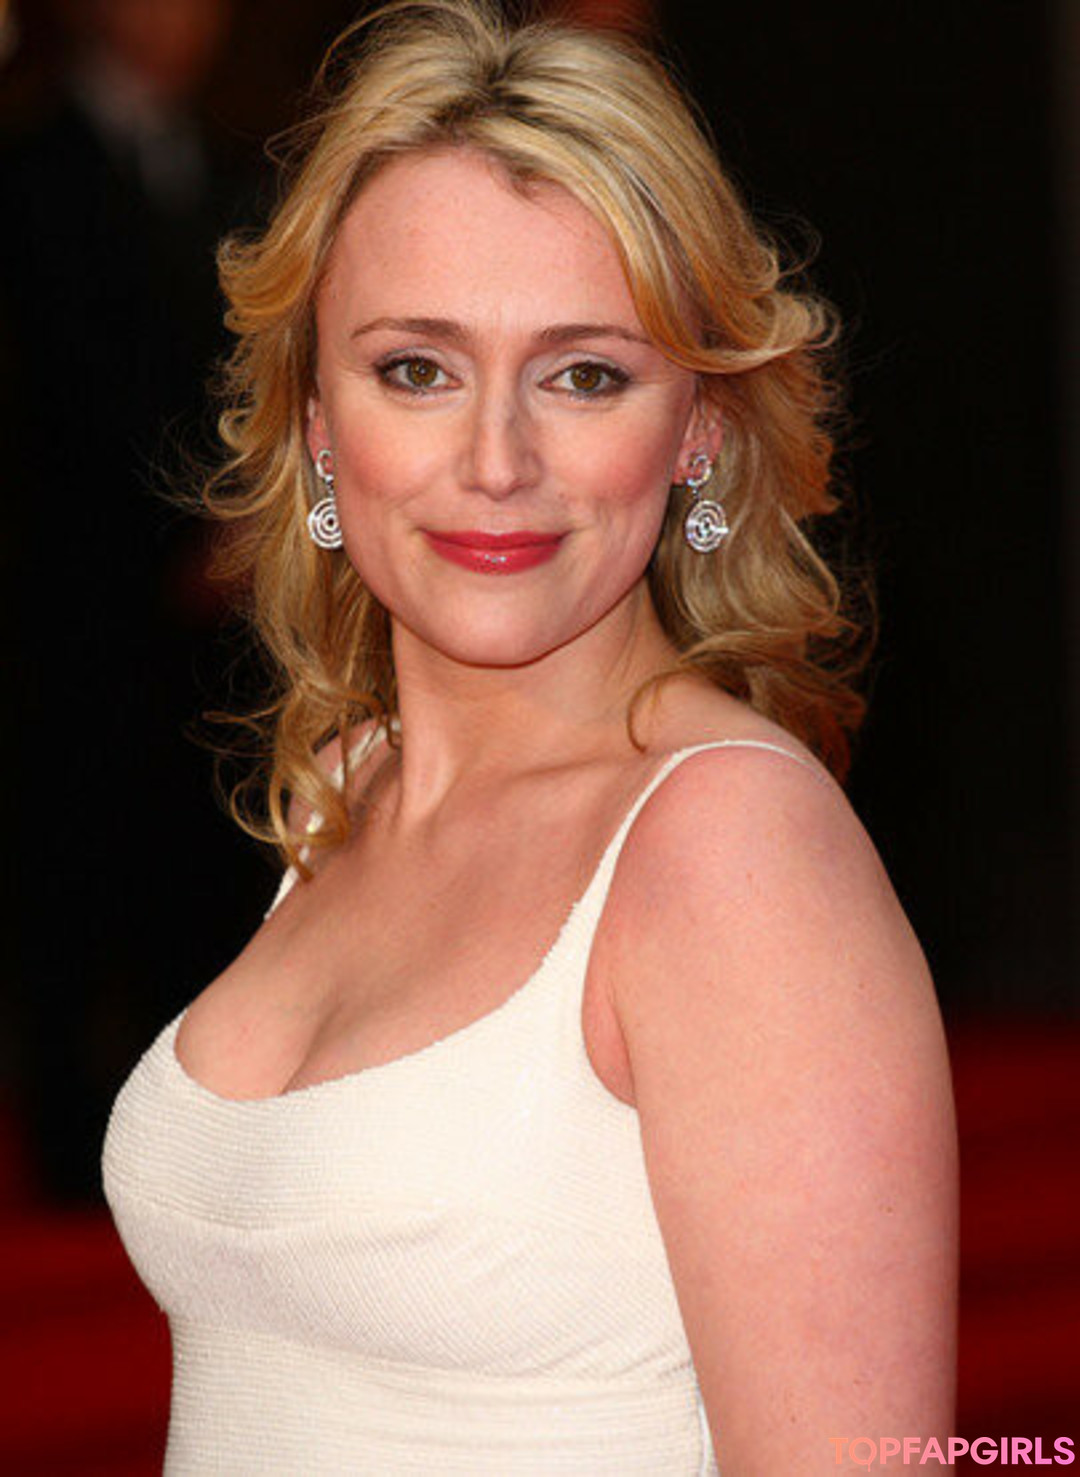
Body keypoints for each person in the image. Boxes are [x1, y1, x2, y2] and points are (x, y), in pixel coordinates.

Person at [102, 1, 959, 1470]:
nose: (495, 461)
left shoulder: (728, 851)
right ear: (316, 420)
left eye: (584, 374)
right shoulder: (353, 785)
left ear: (697, 428)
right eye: (416, 369)